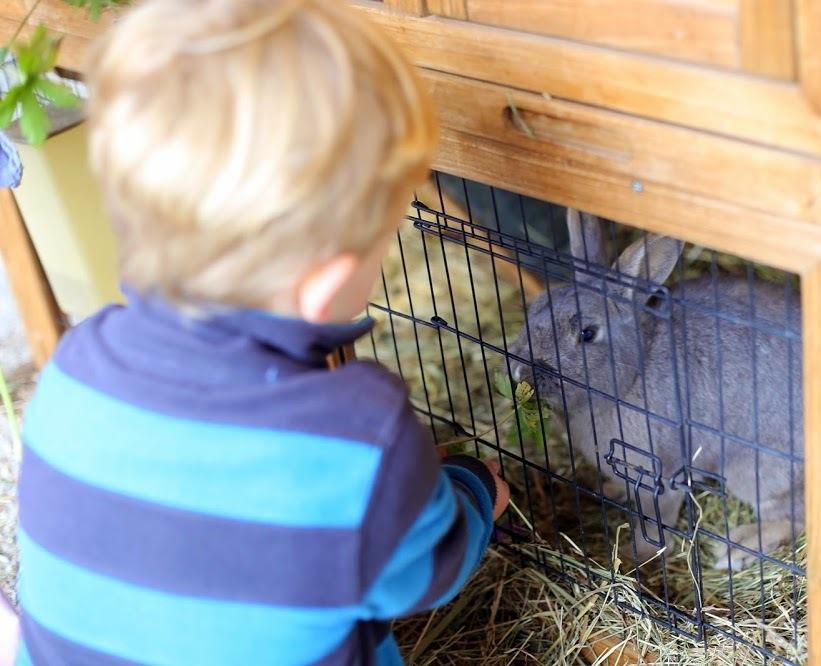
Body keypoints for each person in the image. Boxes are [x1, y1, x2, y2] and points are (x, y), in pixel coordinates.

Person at [14, 1, 509, 663]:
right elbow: (424, 576)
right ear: (325, 284)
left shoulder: (75, 367)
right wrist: (476, 489)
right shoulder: (360, 436)